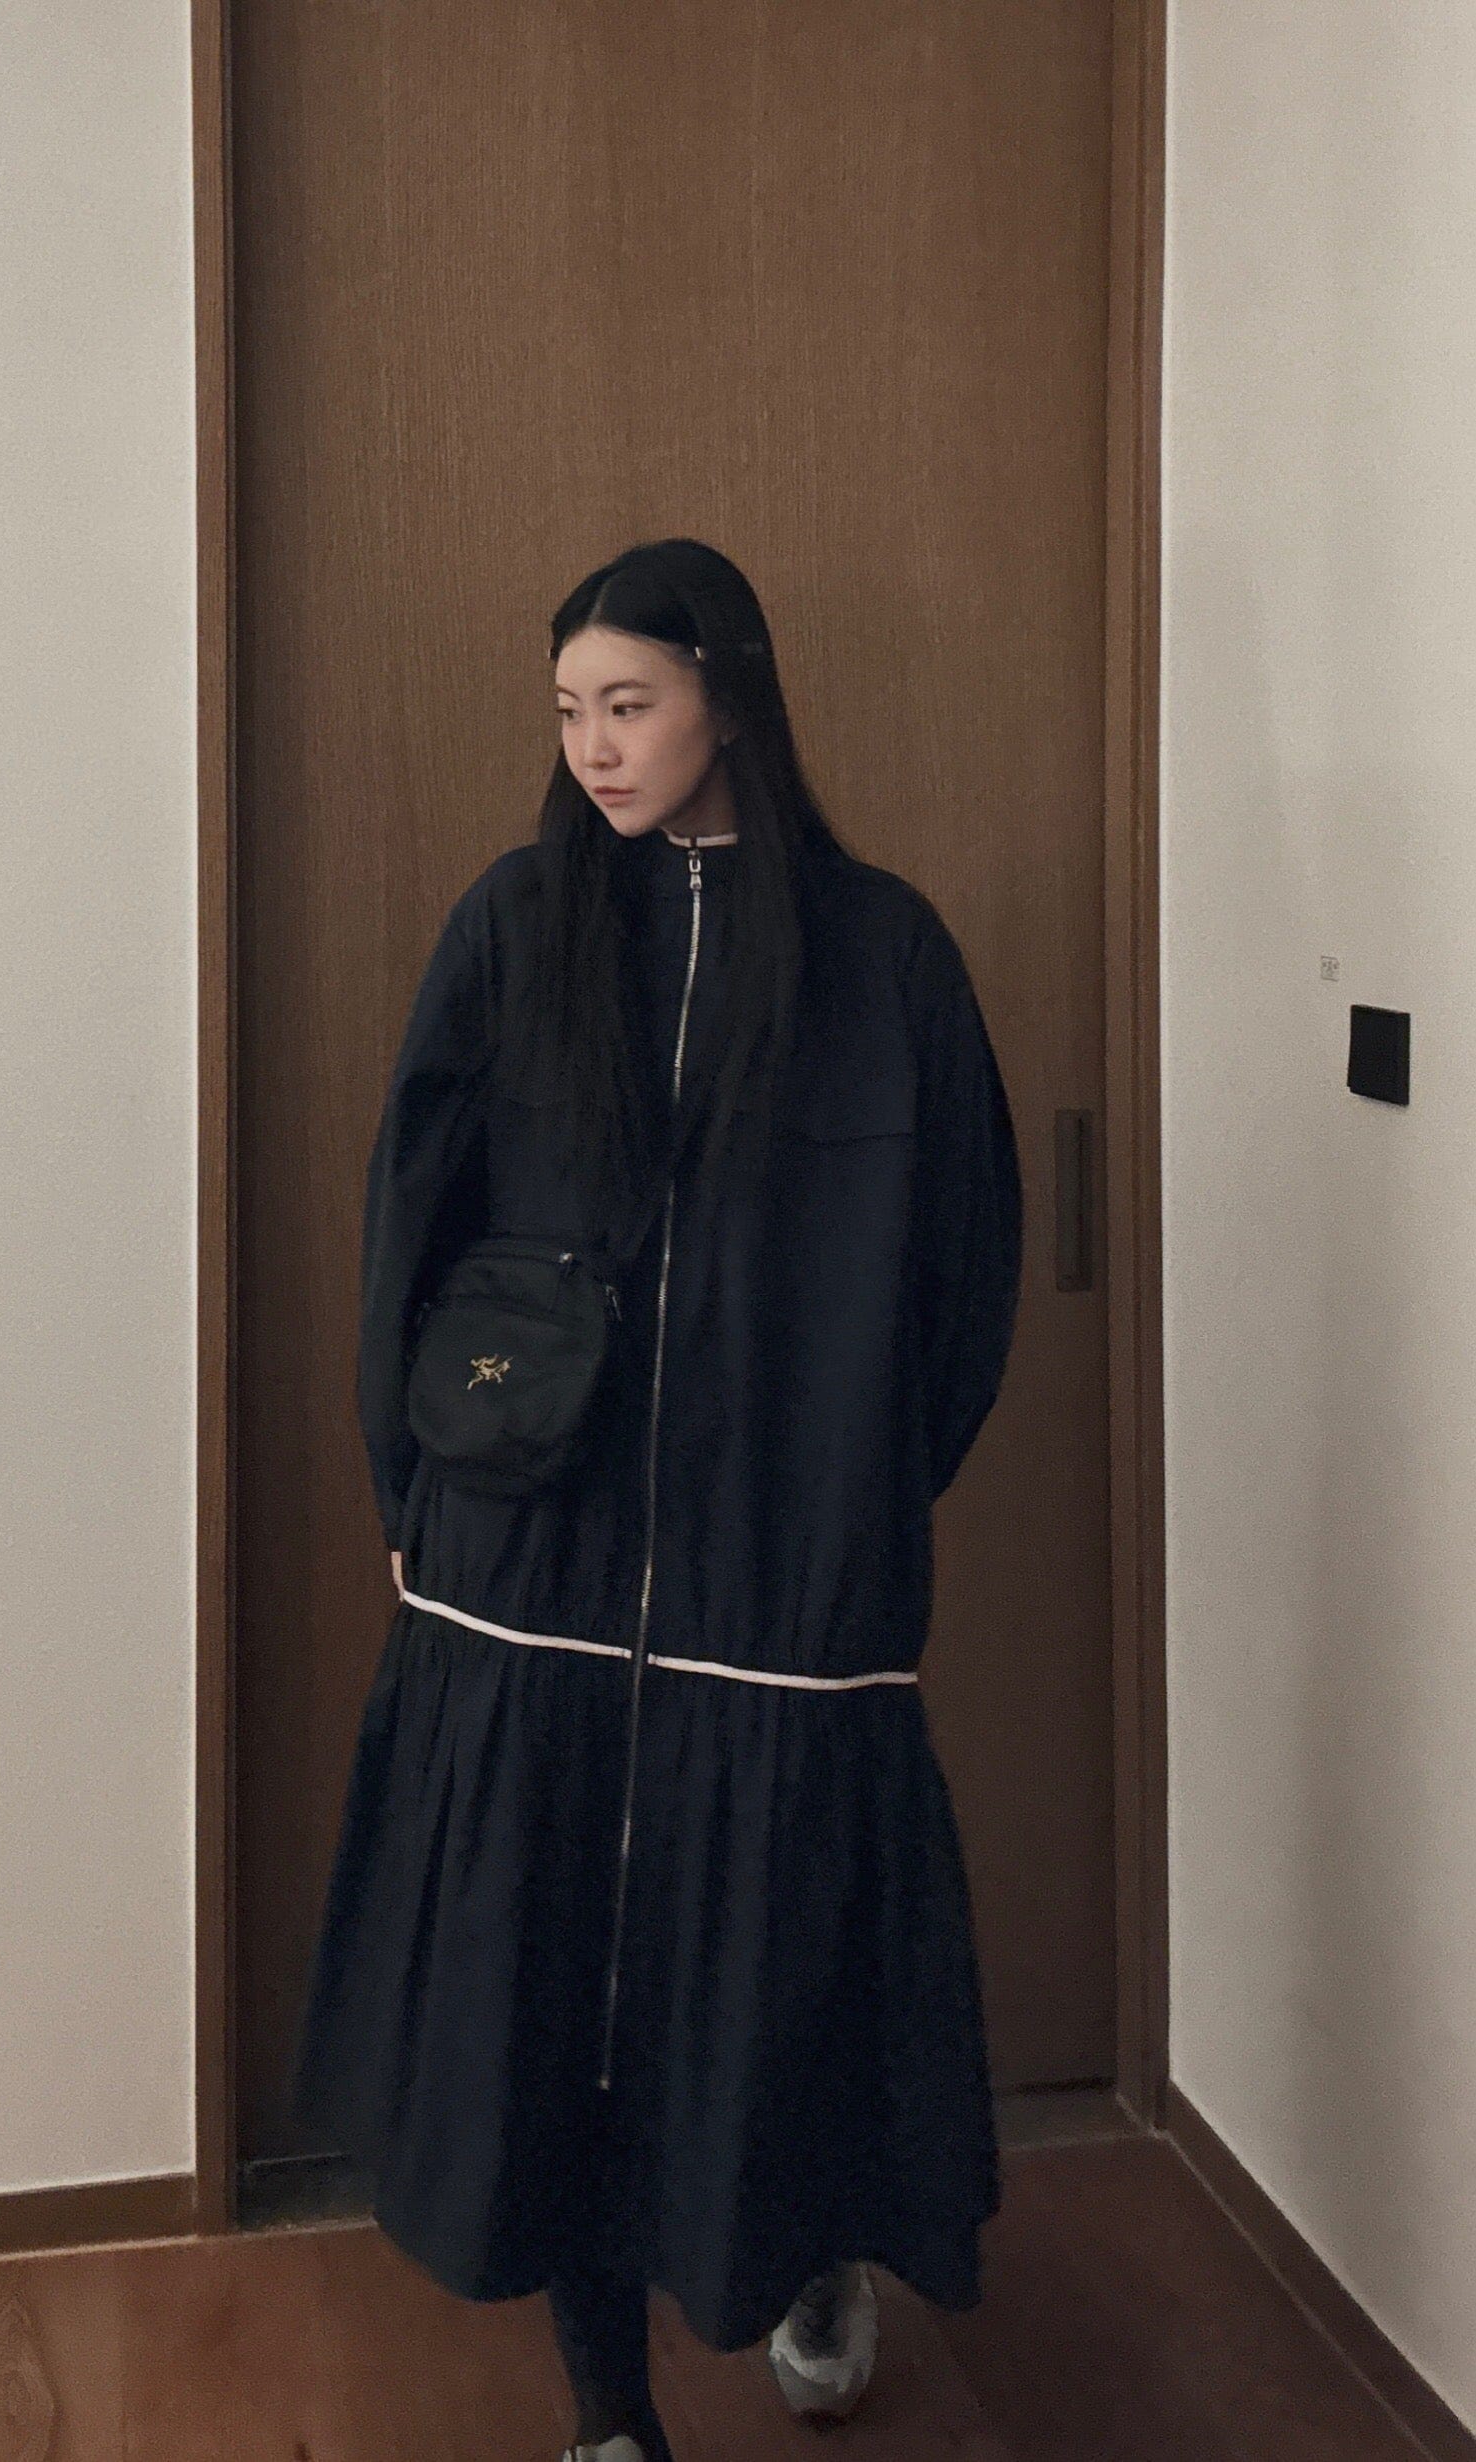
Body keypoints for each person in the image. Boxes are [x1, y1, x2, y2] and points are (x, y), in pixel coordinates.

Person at [289, 537, 1023, 2461]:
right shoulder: (517, 926)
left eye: (629, 703)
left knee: (779, 1961)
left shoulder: (883, 955)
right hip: (525, 1557)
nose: (594, 746)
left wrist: (852, 1496)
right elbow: (409, 1215)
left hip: (778, 1580)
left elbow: (961, 1278)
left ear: (730, 697)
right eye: (568, 711)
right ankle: (608, 2411)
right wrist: (407, 1471)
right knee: (555, 2002)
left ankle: (808, 2247)